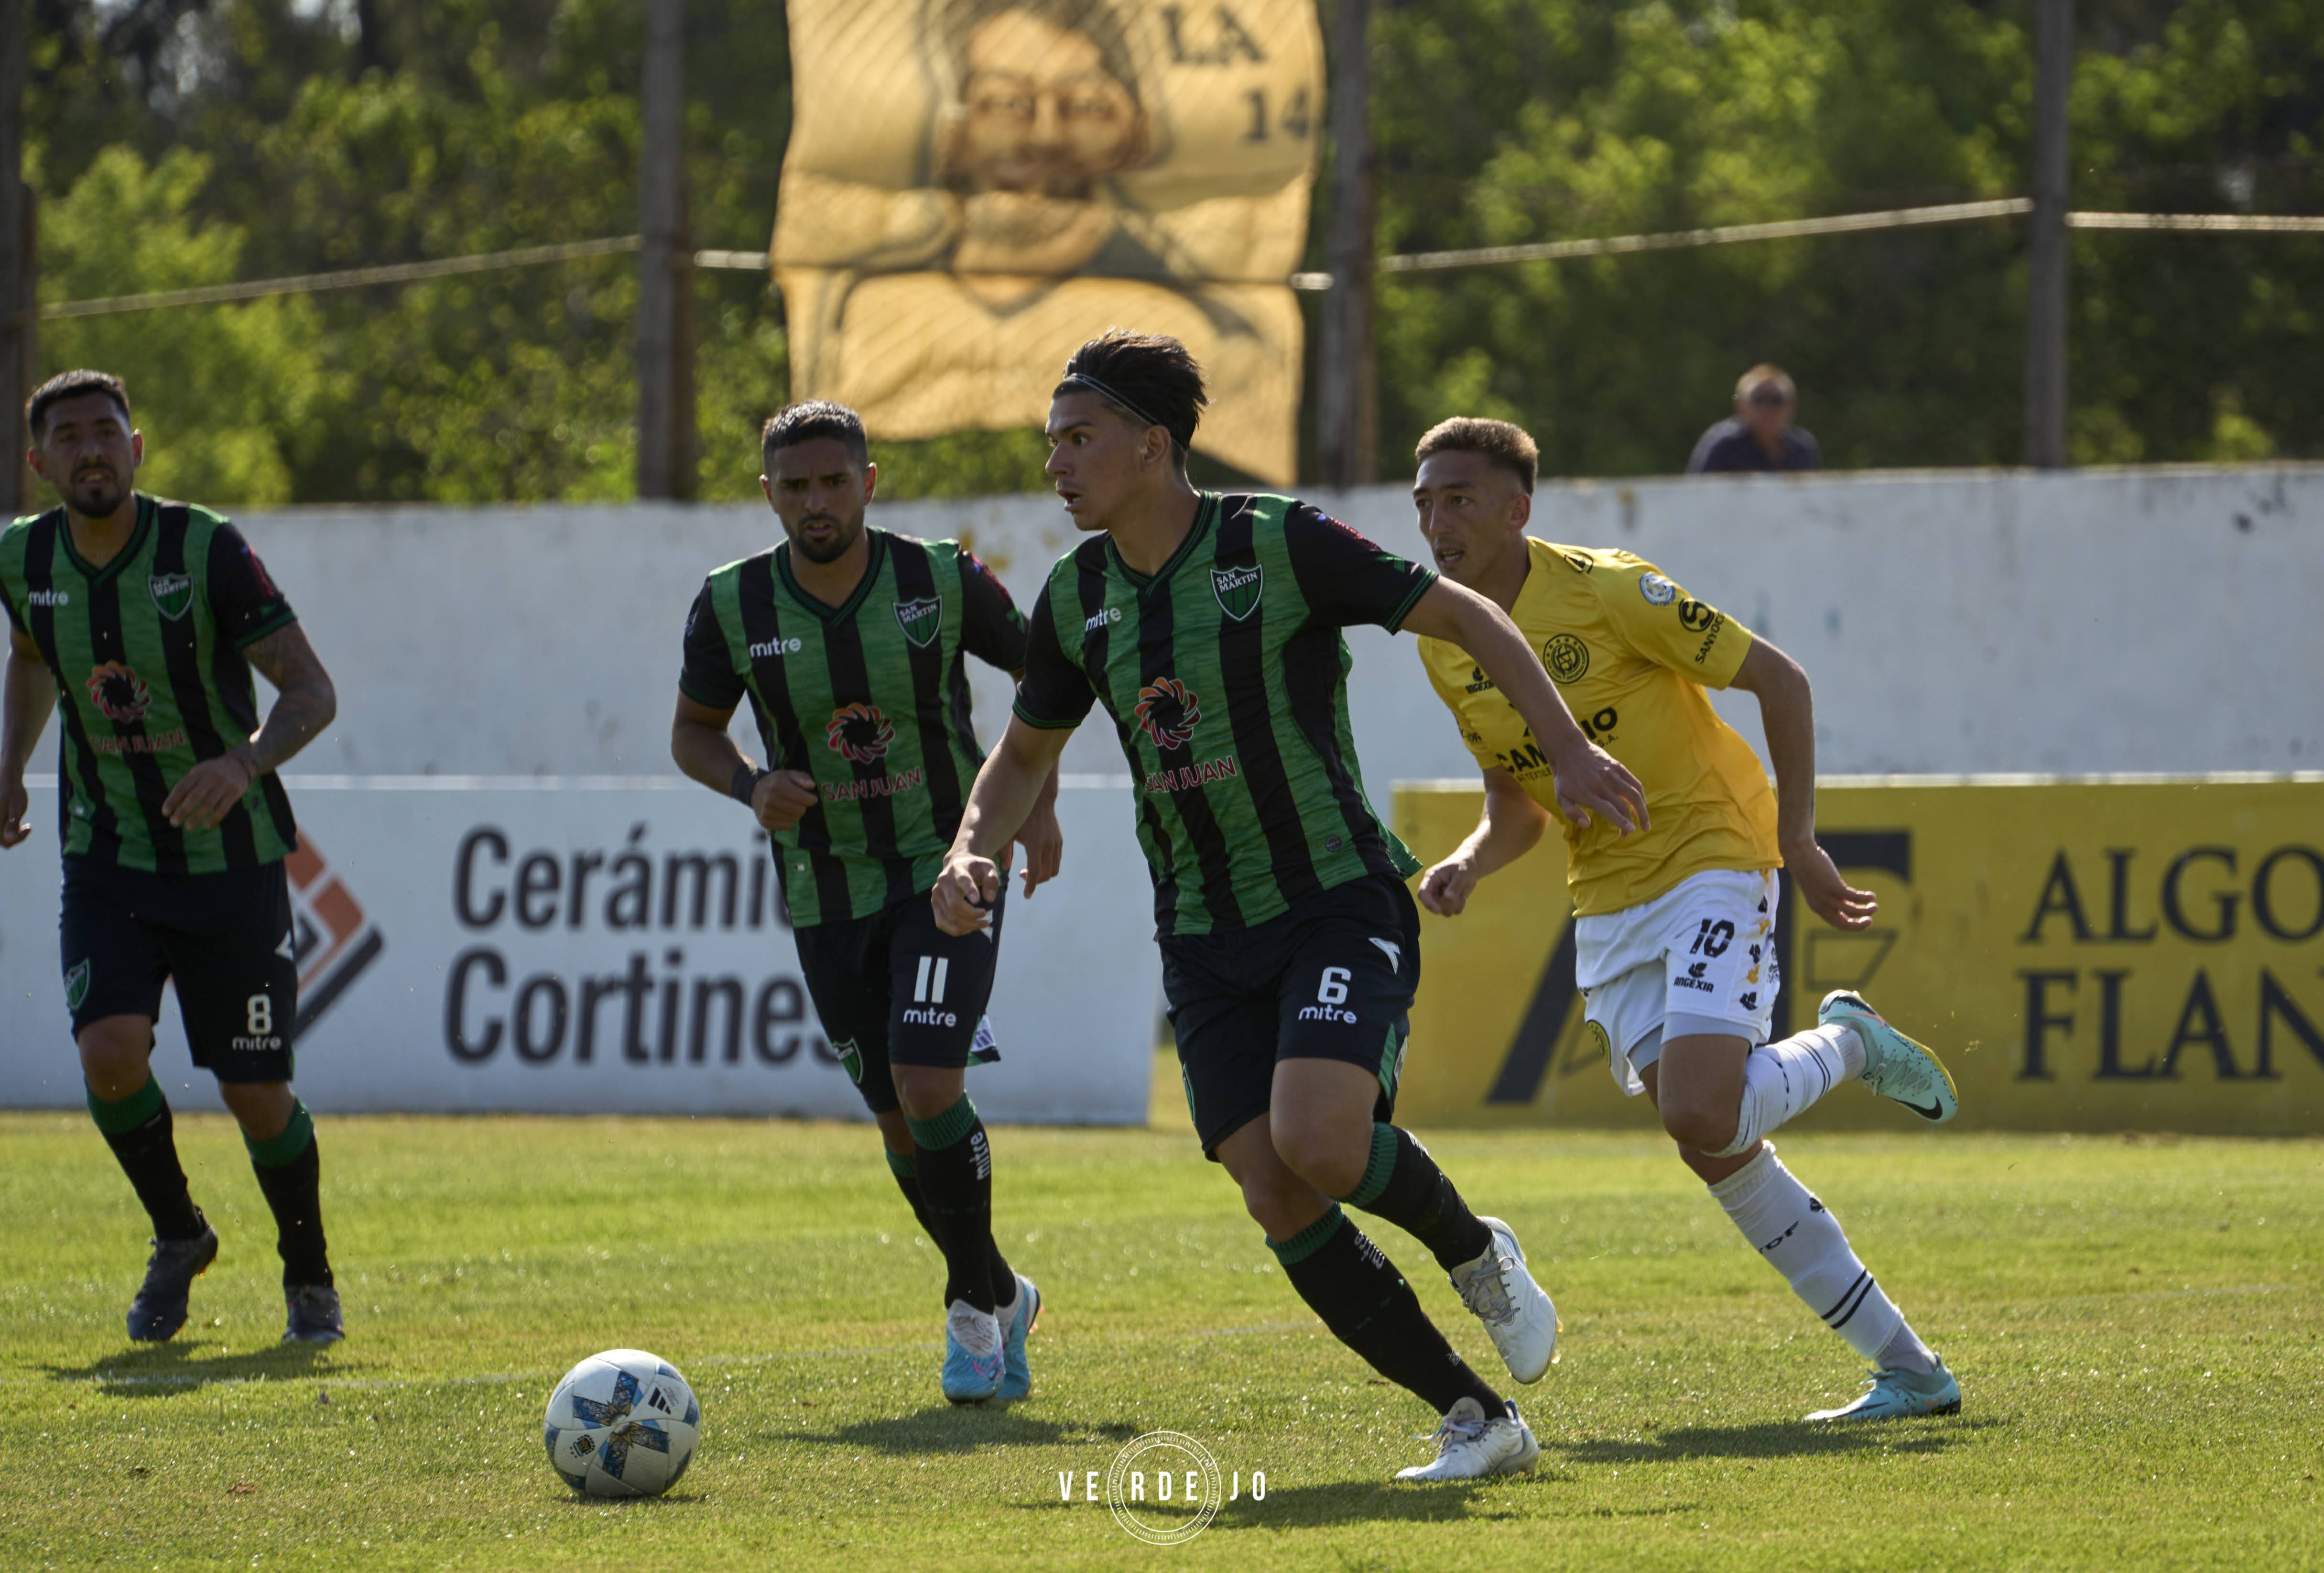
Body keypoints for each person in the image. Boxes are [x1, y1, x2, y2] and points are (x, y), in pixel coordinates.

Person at [932, 331, 1651, 1481]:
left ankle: (1473, 1251)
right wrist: (971, 848)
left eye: (1080, 439)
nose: (1057, 465)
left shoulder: (1277, 542)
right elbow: (1021, 756)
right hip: (1200, 936)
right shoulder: (1075, 596)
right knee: (1271, 1183)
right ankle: (1477, 1418)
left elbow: (1468, 616)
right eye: (1051, 442)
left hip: (1330, 899)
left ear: (1152, 446)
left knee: (1320, 1140)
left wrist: (1561, 751)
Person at [1409, 415, 1961, 1422]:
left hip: (1712, 852)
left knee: (1699, 1112)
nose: (1434, 520)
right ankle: (1911, 1370)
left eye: (1457, 498)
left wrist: (1796, 841)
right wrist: (1467, 862)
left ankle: (1848, 1041)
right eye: (1423, 502)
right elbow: (1516, 807)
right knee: (1714, 1141)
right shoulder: (1445, 644)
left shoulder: (1608, 588)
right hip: (1609, 902)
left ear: (1515, 510)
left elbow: (1779, 679)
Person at [668, 401, 1061, 1405]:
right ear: (769, 494)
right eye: (793, 487)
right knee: (896, 1120)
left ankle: (969, 1314)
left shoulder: (941, 577)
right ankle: (1003, 1289)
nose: (814, 502)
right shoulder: (731, 605)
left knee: (927, 1082)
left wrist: (1038, 810)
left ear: (868, 482)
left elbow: (1045, 680)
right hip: (822, 886)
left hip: (948, 864)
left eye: (832, 482)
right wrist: (750, 784)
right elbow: (694, 735)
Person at [0, 369, 344, 1345]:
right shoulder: (22, 558)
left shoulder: (206, 547)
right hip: (105, 854)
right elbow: (31, 653)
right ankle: (179, 1234)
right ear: (41, 462)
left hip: (230, 861)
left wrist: (243, 763)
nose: (91, 450)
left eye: (106, 431)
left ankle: (308, 1276)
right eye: (68, 438)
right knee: (109, 1055)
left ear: (137, 447)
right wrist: (10, 763)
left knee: (253, 1090)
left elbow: (311, 692)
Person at [1686, 364, 1821, 473]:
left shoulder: (1802, 449)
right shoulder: (1723, 447)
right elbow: (1698, 497)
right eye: (1759, 399)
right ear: (1740, 405)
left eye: (1776, 400)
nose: (1767, 408)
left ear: (1791, 406)